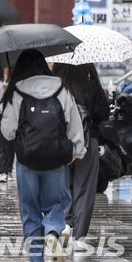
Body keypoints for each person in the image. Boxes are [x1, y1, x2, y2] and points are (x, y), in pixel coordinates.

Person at [0, 49, 86, 262]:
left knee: (30, 209)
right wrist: (78, 150)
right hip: (57, 159)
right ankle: (52, 232)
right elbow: (73, 122)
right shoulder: (60, 88)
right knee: (55, 203)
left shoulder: (17, 91)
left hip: (27, 161)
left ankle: (36, 261)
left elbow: (7, 131)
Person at [52, 63, 109, 248]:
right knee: (84, 188)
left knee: (63, 185)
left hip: (61, 142)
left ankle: (66, 225)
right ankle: (79, 236)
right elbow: (103, 114)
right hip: (87, 140)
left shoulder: (55, 84)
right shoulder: (90, 84)